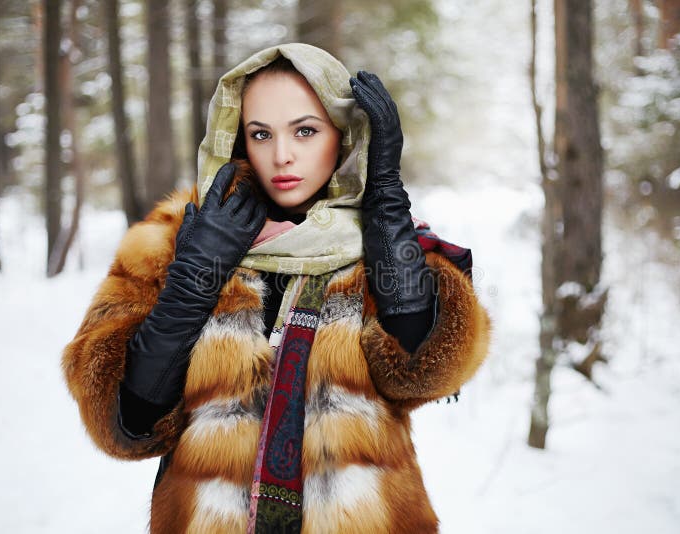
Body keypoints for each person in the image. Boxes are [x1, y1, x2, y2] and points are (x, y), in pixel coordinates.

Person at [62, 43, 491, 534]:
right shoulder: (176, 239)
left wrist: (388, 209)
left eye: (305, 131)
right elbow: (125, 420)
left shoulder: (384, 243)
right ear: (238, 138)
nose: (281, 156)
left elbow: (422, 373)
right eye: (260, 134)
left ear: (344, 135)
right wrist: (194, 280)